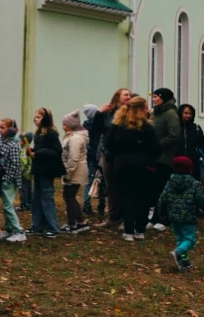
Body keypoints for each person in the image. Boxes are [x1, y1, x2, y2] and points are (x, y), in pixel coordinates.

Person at [104, 97, 160, 241]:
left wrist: (118, 155)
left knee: (126, 197)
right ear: (142, 109)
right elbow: (156, 148)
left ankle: (128, 231)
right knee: (143, 198)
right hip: (144, 166)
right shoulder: (147, 127)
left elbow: (109, 144)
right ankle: (140, 230)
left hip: (123, 165)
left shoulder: (118, 126)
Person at [156, 155, 204, 270]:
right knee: (190, 240)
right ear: (190, 170)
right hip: (188, 217)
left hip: (173, 217)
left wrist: (161, 213)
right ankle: (178, 252)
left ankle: (184, 261)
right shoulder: (194, 184)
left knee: (181, 238)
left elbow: (162, 199)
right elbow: (201, 199)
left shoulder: (169, 183)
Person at [92, 88, 132, 228]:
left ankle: (125, 218)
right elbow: (96, 129)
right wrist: (99, 113)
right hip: (107, 153)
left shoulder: (130, 112)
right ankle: (113, 217)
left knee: (124, 185)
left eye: (129, 95)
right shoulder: (108, 112)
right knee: (111, 186)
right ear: (117, 97)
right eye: (125, 94)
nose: (128, 96)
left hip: (123, 154)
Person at [27, 108, 64, 238]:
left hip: (47, 171)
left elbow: (56, 151)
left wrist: (37, 153)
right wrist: (31, 150)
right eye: (35, 117)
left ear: (45, 118)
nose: (35, 119)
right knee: (36, 198)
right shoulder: (38, 133)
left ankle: (52, 227)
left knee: (47, 198)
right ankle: (37, 226)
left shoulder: (51, 133)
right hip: (38, 170)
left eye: (38, 117)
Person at [149, 88, 180, 231]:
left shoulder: (170, 114)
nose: (153, 99)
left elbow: (173, 135)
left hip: (164, 157)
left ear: (163, 98)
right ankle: (153, 217)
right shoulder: (157, 113)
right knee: (154, 189)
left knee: (162, 189)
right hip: (154, 157)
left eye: (155, 97)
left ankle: (164, 218)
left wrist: (157, 146)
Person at [0, 118, 27, 242]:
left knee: (8, 206)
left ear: (11, 130)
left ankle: (19, 231)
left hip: (9, 181)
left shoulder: (13, 145)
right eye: (0, 127)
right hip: (3, 179)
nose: (0, 130)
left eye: (3, 127)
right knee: (5, 206)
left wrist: (7, 178)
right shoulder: (4, 142)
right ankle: (9, 230)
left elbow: (15, 165)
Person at [61, 110, 90, 234]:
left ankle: (72, 224)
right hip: (75, 171)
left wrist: (68, 172)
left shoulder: (76, 139)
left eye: (65, 124)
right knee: (70, 196)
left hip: (75, 172)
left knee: (69, 197)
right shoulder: (73, 137)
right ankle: (80, 221)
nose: (63, 126)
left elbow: (74, 158)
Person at [176, 104, 204, 181]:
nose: (188, 115)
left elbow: (203, 144)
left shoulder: (196, 128)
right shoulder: (175, 127)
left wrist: (197, 154)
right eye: (186, 113)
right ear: (180, 113)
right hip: (177, 162)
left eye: (190, 113)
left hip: (193, 163)